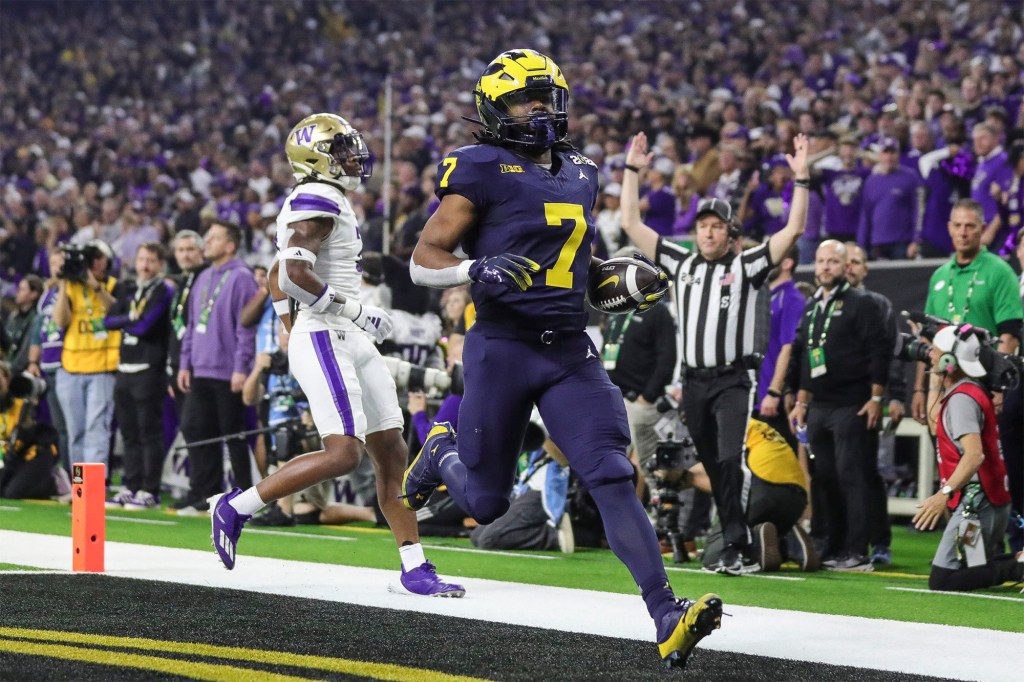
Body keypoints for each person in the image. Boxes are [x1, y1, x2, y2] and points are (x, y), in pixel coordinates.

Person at [401, 50, 720, 668]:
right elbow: (423, 259)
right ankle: (441, 449)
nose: (540, 108)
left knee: (610, 471)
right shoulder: (478, 167)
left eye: (547, 96)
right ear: (496, 109)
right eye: (526, 98)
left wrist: (619, 281)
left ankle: (665, 614)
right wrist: (475, 267)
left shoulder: (580, 171)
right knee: (487, 504)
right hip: (501, 346)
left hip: (570, 349)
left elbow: (577, 267)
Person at [208, 112, 463, 598]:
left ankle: (414, 565)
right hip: (330, 330)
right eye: (342, 148)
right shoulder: (318, 197)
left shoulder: (330, 199)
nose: (353, 156)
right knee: (344, 454)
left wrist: (294, 327)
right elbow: (291, 277)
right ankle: (237, 506)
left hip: (343, 333)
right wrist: (349, 314)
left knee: (392, 451)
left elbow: (277, 275)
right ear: (317, 157)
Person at [621, 130, 811, 576]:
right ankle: (738, 539)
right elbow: (631, 223)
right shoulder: (682, 263)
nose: (707, 231)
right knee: (710, 462)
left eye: (717, 226)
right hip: (694, 380)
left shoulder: (746, 265)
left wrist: (801, 179)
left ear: (731, 234)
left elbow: (794, 229)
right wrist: (632, 170)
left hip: (731, 380)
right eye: (703, 225)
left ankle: (737, 544)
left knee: (728, 459)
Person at [915, 199, 1023, 551]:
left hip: (982, 385)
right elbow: (929, 342)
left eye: (971, 226)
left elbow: (1009, 334)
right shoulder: (940, 275)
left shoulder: (998, 271)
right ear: (949, 228)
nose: (963, 232)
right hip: (945, 384)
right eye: (958, 226)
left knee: (991, 466)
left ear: (982, 229)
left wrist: (1001, 387)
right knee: (952, 463)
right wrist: (922, 389)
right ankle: (969, 548)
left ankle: (1009, 543)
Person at [788, 240, 891, 572]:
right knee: (823, 478)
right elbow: (804, 356)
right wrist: (801, 402)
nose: (825, 267)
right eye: (820, 261)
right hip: (820, 405)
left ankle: (857, 550)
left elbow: (879, 351)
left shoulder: (863, 303)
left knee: (853, 477)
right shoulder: (813, 305)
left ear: (846, 266)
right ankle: (828, 543)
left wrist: (876, 398)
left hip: (853, 403)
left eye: (833, 261)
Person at [912, 325, 1023, 592]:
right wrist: (935, 382)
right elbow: (935, 423)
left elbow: (974, 455)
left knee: (943, 580)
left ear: (952, 360)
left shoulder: (962, 399)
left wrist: (943, 494)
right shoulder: (969, 390)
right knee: (971, 571)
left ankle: (1017, 567)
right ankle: (1018, 561)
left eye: (936, 350)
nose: (931, 354)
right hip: (986, 500)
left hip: (975, 505)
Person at [175, 222, 259, 514]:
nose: (206, 242)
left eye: (214, 238)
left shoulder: (242, 278)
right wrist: (185, 363)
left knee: (233, 435)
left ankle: (247, 499)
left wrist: (241, 367)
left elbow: (246, 329)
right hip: (200, 369)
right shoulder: (202, 278)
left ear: (230, 245)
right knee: (197, 430)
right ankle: (205, 494)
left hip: (228, 372)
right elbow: (190, 326)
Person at [102, 242, 175, 510]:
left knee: (149, 432)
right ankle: (130, 486)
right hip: (124, 369)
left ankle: (150, 490)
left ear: (159, 264)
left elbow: (146, 326)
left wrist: (128, 320)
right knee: (129, 433)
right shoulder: (128, 288)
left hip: (148, 368)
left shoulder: (163, 290)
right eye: (142, 259)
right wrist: (130, 318)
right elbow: (107, 321)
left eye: (151, 260)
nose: (144, 265)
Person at [52, 240, 120, 467]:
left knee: (96, 430)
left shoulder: (112, 285)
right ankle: (79, 488)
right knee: (76, 432)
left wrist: (95, 286)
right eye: (91, 258)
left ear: (106, 261)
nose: (94, 263)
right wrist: (62, 285)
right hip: (71, 368)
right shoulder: (70, 287)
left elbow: (118, 311)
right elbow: (60, 321)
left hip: (102, 368)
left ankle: (94, 487)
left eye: (98, 258)